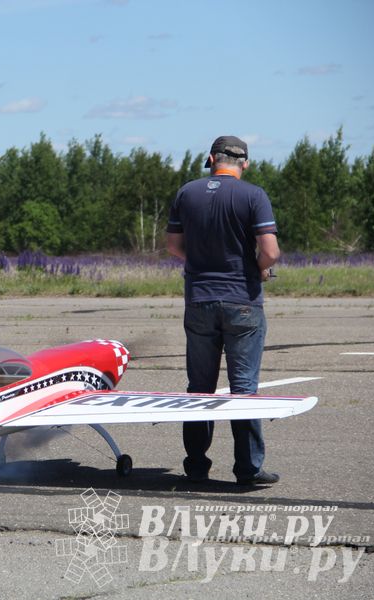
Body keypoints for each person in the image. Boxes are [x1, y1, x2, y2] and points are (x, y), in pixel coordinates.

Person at [165, 135, 281, 486]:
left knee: (199, 387)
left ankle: (196, 465)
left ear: (211, 159)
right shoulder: (253, 195)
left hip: (199, 299)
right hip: (242, 300)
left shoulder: (187, 193)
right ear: (244, 163)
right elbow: (271, 252)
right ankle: (248, 470)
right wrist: (258, 267)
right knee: (243, 387)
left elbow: (173, 246)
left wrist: (201, 262)